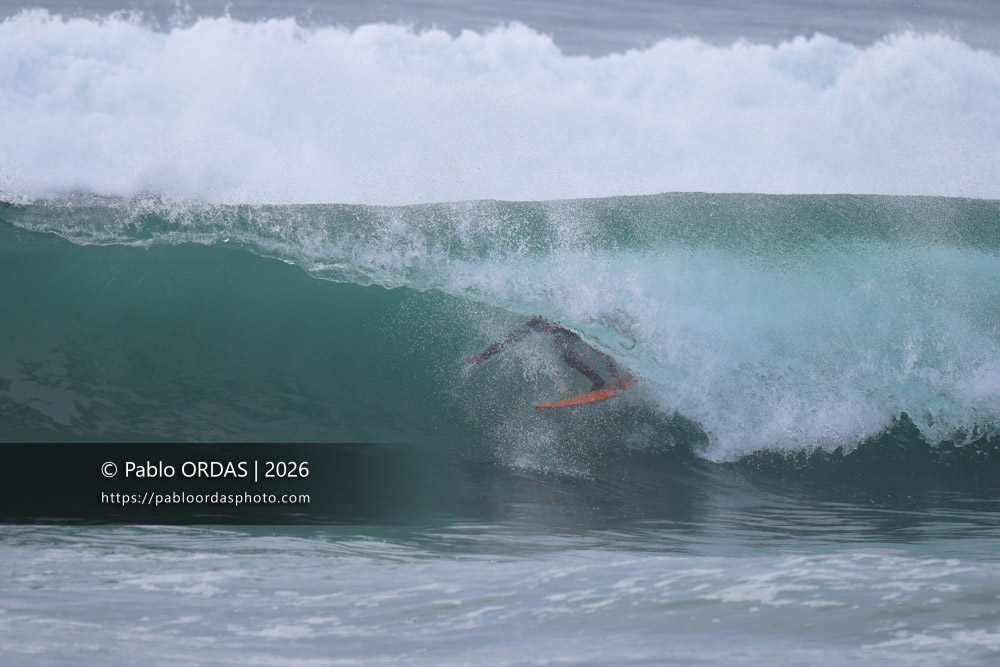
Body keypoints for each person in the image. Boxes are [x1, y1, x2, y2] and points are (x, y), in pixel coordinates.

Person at [466, 316, 623, 391]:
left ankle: (615, 377)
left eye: (547, 323)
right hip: (563, 335)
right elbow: (510, 340)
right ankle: (598, 381)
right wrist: (483, 356)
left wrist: (615, 378)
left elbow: (600, 347)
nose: (545, 326)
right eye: (542, 323)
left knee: (594, 346)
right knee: (565, 355)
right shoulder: (536, 323)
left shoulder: (571, 318)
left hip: (579, 330)